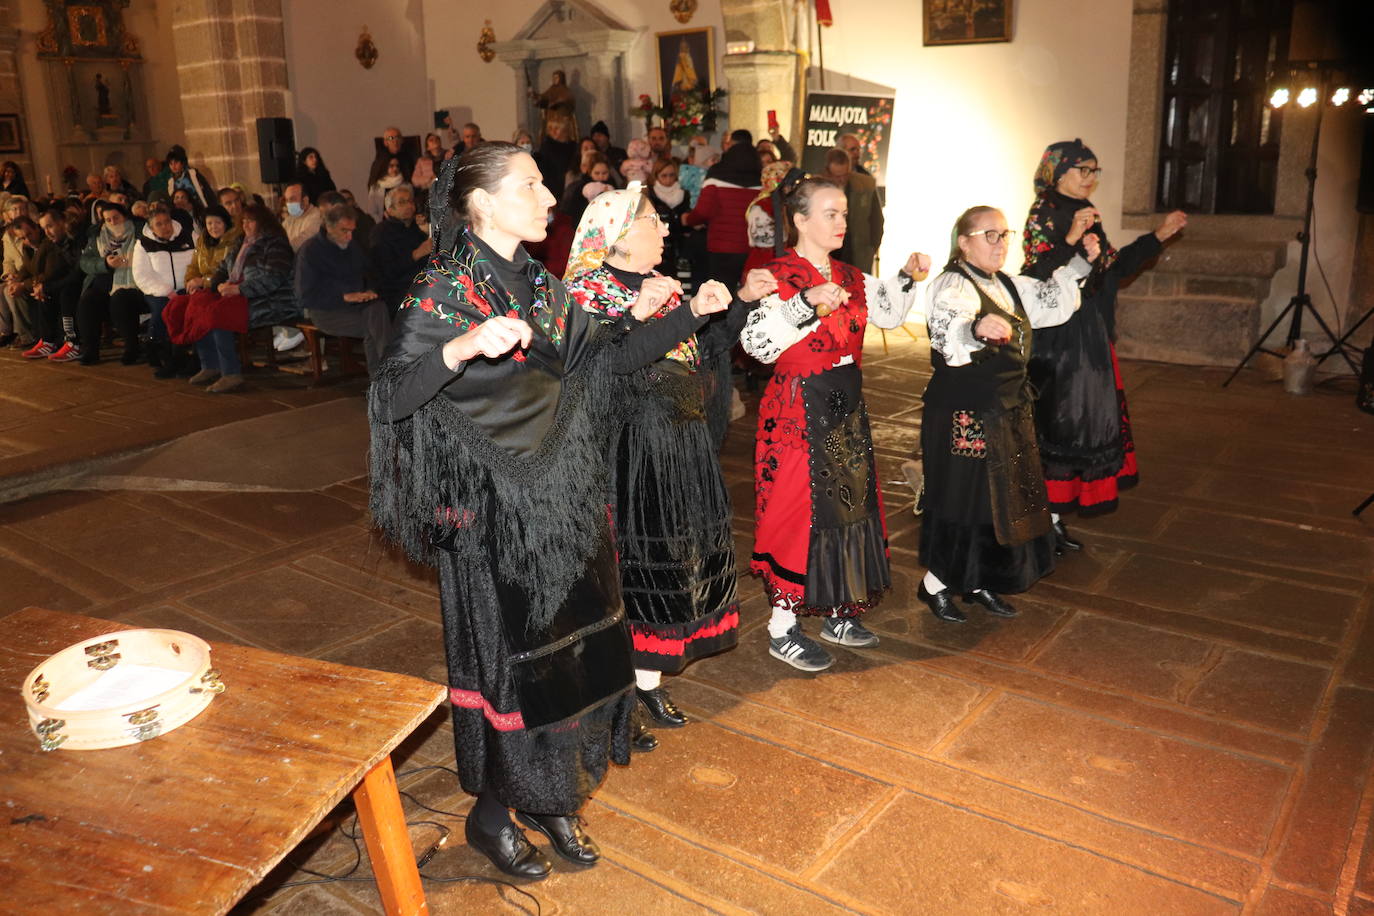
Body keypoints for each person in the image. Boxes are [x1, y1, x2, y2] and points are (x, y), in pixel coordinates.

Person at [368, 143, 644, 881]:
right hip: (491, 520)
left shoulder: (544, 287)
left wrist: (656, 315)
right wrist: (457, 349)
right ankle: (493, 814)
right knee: (514, 672)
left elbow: (596, 364)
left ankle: (554, 799)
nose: (549, 198)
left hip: (563, 507)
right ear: (482, 203)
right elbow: (391, 397)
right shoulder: (441, 290)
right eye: (531, 184)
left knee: (572, 657)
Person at [564, 182, 751, 748]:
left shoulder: (662, 287)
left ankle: (644, 681)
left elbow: (707, 348)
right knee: (632, 569)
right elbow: (617, 363)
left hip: (678, 442)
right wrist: (688, 311)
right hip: (630, 452)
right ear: (619, 236)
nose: (666, 229)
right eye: (653, 221)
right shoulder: (585, 292)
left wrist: (739, 302)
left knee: (672, 561)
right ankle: (614, 692)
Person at [739, 177, 930, 671]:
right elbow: (757, 345)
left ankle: (837, 608)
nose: (842, 222)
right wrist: (804, 304)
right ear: (800, 220)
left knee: (849, 505)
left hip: (845, 406)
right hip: (796, 410)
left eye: (844, 213)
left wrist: (907, 277)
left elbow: (887, 312)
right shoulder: (775, 274)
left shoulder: (851, 274)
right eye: (830, 213)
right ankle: (782, 627)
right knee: (797, 511)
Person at [920, 206, 1099, 622]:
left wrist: (1080, 263)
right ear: (964, 242)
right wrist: (976, 329)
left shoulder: (1007, 284)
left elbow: (1053, 301)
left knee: (996, 501)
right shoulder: (952, 285)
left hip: (1006, 411)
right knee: (964, 499)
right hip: (964, 413)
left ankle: (979, 580)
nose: (1000, 244)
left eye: (1005, 234)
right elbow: (949, 332)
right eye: (990, 235)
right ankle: (936, 583)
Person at [1020, 139, 1188, 548]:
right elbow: (1038, 271)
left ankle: (1054, 519)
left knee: (1086, 424)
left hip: (1089, 332)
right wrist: (1073, 235)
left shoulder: (1087, 214)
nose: (1091, 179)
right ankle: (1040, 522)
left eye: (1095, 171)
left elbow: (1113, 268)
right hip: (1059, 337)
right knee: (1060, 423)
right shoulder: (1044, 211)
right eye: (1084, 170)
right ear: (1057, 172)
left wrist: (1159, 235)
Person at [682, 139, 762, 447]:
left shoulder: (716, 178)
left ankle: (721, 359)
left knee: (719, 309)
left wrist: (687, 220)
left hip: (719, 251)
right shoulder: (759, 183)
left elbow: (703, 212)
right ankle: (746, 359)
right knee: (743, 304)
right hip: (745, 252)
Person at [178, 201, 298, 393]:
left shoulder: (275, 243)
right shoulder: (243, 242)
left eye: (251, 221)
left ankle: (231, 373)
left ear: (263, 222)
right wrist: (218, 285)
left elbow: (273, 279)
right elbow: (223, 268)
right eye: (243, 222)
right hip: (242, 295)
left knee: (219, 314)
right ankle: (210, 365)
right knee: (198, 305)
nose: (246, 226)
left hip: (274, 299)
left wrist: (240, 289)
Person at [295, 201, 387, 375]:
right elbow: (304, 296)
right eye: (344, 231)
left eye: (352, 230)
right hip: (326, 312)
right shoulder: (310, 251)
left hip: (358, 308)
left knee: (379, 309)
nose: (350, 236)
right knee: (377, 326)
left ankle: (382, 381)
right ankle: (388, 379)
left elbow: (369, 272)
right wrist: (343, 297)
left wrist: (370, 291)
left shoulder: (352, 247)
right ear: (329, 227)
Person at [130, 204, 197, 378]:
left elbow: (200, 261)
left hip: (188, 287)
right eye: (158, 224)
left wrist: (193, 282)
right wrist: (166, 290)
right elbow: (141, 275)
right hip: (158, 291)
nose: (164, 227)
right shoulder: (143, 244)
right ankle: (164, 352)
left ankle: (184, 358)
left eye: (166, 222)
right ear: (151, 227)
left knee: (188, 310)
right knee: (165, 310)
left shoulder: (189, 236)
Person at [75, 202, 143, 365]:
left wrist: (127, 260)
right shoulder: (97, 235)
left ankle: (132, 348)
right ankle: (91, 350)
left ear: (124, 216)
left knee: (120, 299)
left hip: (132, 281)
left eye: (116, 218)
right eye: (108, 219)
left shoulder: (139, 231)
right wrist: (104, 263)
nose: (113, 222)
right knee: (88, 301)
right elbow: (85, 262)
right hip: (104, 278)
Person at [370, 184, 431, 315]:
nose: (409, 205)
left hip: (420, 283)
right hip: (395, 291)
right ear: (390, 209)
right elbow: (386, 271)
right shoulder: (381, 232)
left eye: (410, 201)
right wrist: (415, 254)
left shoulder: (417, 230)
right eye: (402, 202)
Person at [824, 148, 883, 274]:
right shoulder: (818, 188)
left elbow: (877, 220)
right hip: (828, 252)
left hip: (857, 251)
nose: (841, 180)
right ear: (828, 171)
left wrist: (871, 248)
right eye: (837, 176)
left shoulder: (866, 185)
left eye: (844, 175)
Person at [646, 159, 691, 277]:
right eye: (664, 176)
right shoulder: (649, 194)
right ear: (656, 176)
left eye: (671, 175)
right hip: (657, 245)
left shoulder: (684, 194)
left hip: (680, 246)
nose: (668, 179)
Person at [559, 153, 613, 226]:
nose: (601, 176)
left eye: (604, 173)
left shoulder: (612, 185)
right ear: (590, 173)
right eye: (597, 173)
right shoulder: (580, 187)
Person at [281, 182, 322, 251]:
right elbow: (278, 236)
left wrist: (280, 248)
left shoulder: (316, 216)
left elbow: (302, 242)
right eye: (287, 200)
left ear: (305, 200)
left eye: (292, 199)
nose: (288, 204)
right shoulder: (290, 218)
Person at [366, 156, 405, 223]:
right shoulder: (375, 187)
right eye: (391, 166)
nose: (395, 168)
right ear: (385, 167)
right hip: (382, 224)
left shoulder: (405, 186)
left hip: (402, 224)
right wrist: (381, 224)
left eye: (397, 166)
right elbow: (372, 211)